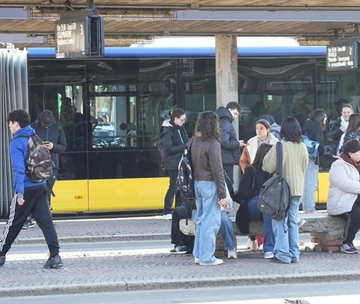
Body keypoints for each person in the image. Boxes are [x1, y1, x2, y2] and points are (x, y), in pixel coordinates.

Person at [0, 109, 62, 269]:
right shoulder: (35, 137)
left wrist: (19, 192)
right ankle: (55, 256)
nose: (9, 127)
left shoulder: (17, 142)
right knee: (46, 222)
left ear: (16, 123)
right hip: (41, 186)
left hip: (26, 189)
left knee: (14, 222)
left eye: (10, 123)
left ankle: (1, 253)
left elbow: (18, 169)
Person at [262, 116, 308, 264]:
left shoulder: (280, 146)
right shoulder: (303, 146)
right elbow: (304, 167)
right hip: (297, 189)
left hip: (282, 190)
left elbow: (267, 166)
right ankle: (294, 254)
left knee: (280, 221)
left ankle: (283, 253)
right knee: (293, 222)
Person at [191, 111, 227, 266]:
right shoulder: (213, 143)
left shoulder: (193, 140)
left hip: (197, 183)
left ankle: (198, 254)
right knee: (210, 222)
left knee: (200, 220)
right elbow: (217, 170)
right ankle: (207, 257)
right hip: (209, 184)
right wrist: (223, 192)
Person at [22, 110, 67, 229]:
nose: (46, 127)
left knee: (46, 193)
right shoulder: (32, 127)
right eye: (44, 125)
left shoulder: (57, 128)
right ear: (40, 122)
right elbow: (25, 145)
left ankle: (46, 219)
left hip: (52, 166)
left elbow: (63, 147)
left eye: (48, 125)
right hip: (35, 165)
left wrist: (53, 146)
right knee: (34, 191)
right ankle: (30, 217)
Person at [233, 143, 275, 259]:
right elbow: (242, 192)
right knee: (266, 201)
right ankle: (270, 248)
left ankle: (269, 249)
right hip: (252, 206)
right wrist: (261, 193)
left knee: (268, 211)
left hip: (267, 208)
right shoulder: (251, 170)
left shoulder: (273, 172)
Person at [327, 140, 360, 254]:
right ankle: (347, 242)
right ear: (350, 153)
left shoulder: (358, 165)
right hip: (340, 202)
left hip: (354, 198)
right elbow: (344, 183)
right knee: (356, 215)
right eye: (359, 152)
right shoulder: (338, 165)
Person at [160, 108, 189, 220]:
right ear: (176, 119)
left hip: (180, 161)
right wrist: (184, 146)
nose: (183, 122)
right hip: (173, 163)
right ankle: (167, 211)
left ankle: (178, 210)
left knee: (180, 188)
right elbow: (168, 149)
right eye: (182, 120)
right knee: (173, 187)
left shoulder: (180, 128)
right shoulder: (168, 131)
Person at [302, 109, 327, 213]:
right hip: (312, 157)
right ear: (321, 117)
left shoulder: (307, 125)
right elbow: (320, 143)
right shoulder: (317, 127)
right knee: (311, 183)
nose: (326, 120)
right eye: (325, 117)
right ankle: (310, 208)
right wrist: (321, 155)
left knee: (306, 183)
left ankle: (306, 207)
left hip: (304, 155)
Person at [215, 101, 244, 183]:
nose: (235, 117)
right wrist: (238, 144)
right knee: (228, 183)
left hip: (222, 157)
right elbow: (224, 142)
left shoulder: (220, 120)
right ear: (229, 110)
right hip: (225, 158)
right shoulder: (225, 122)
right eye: (235, 113)